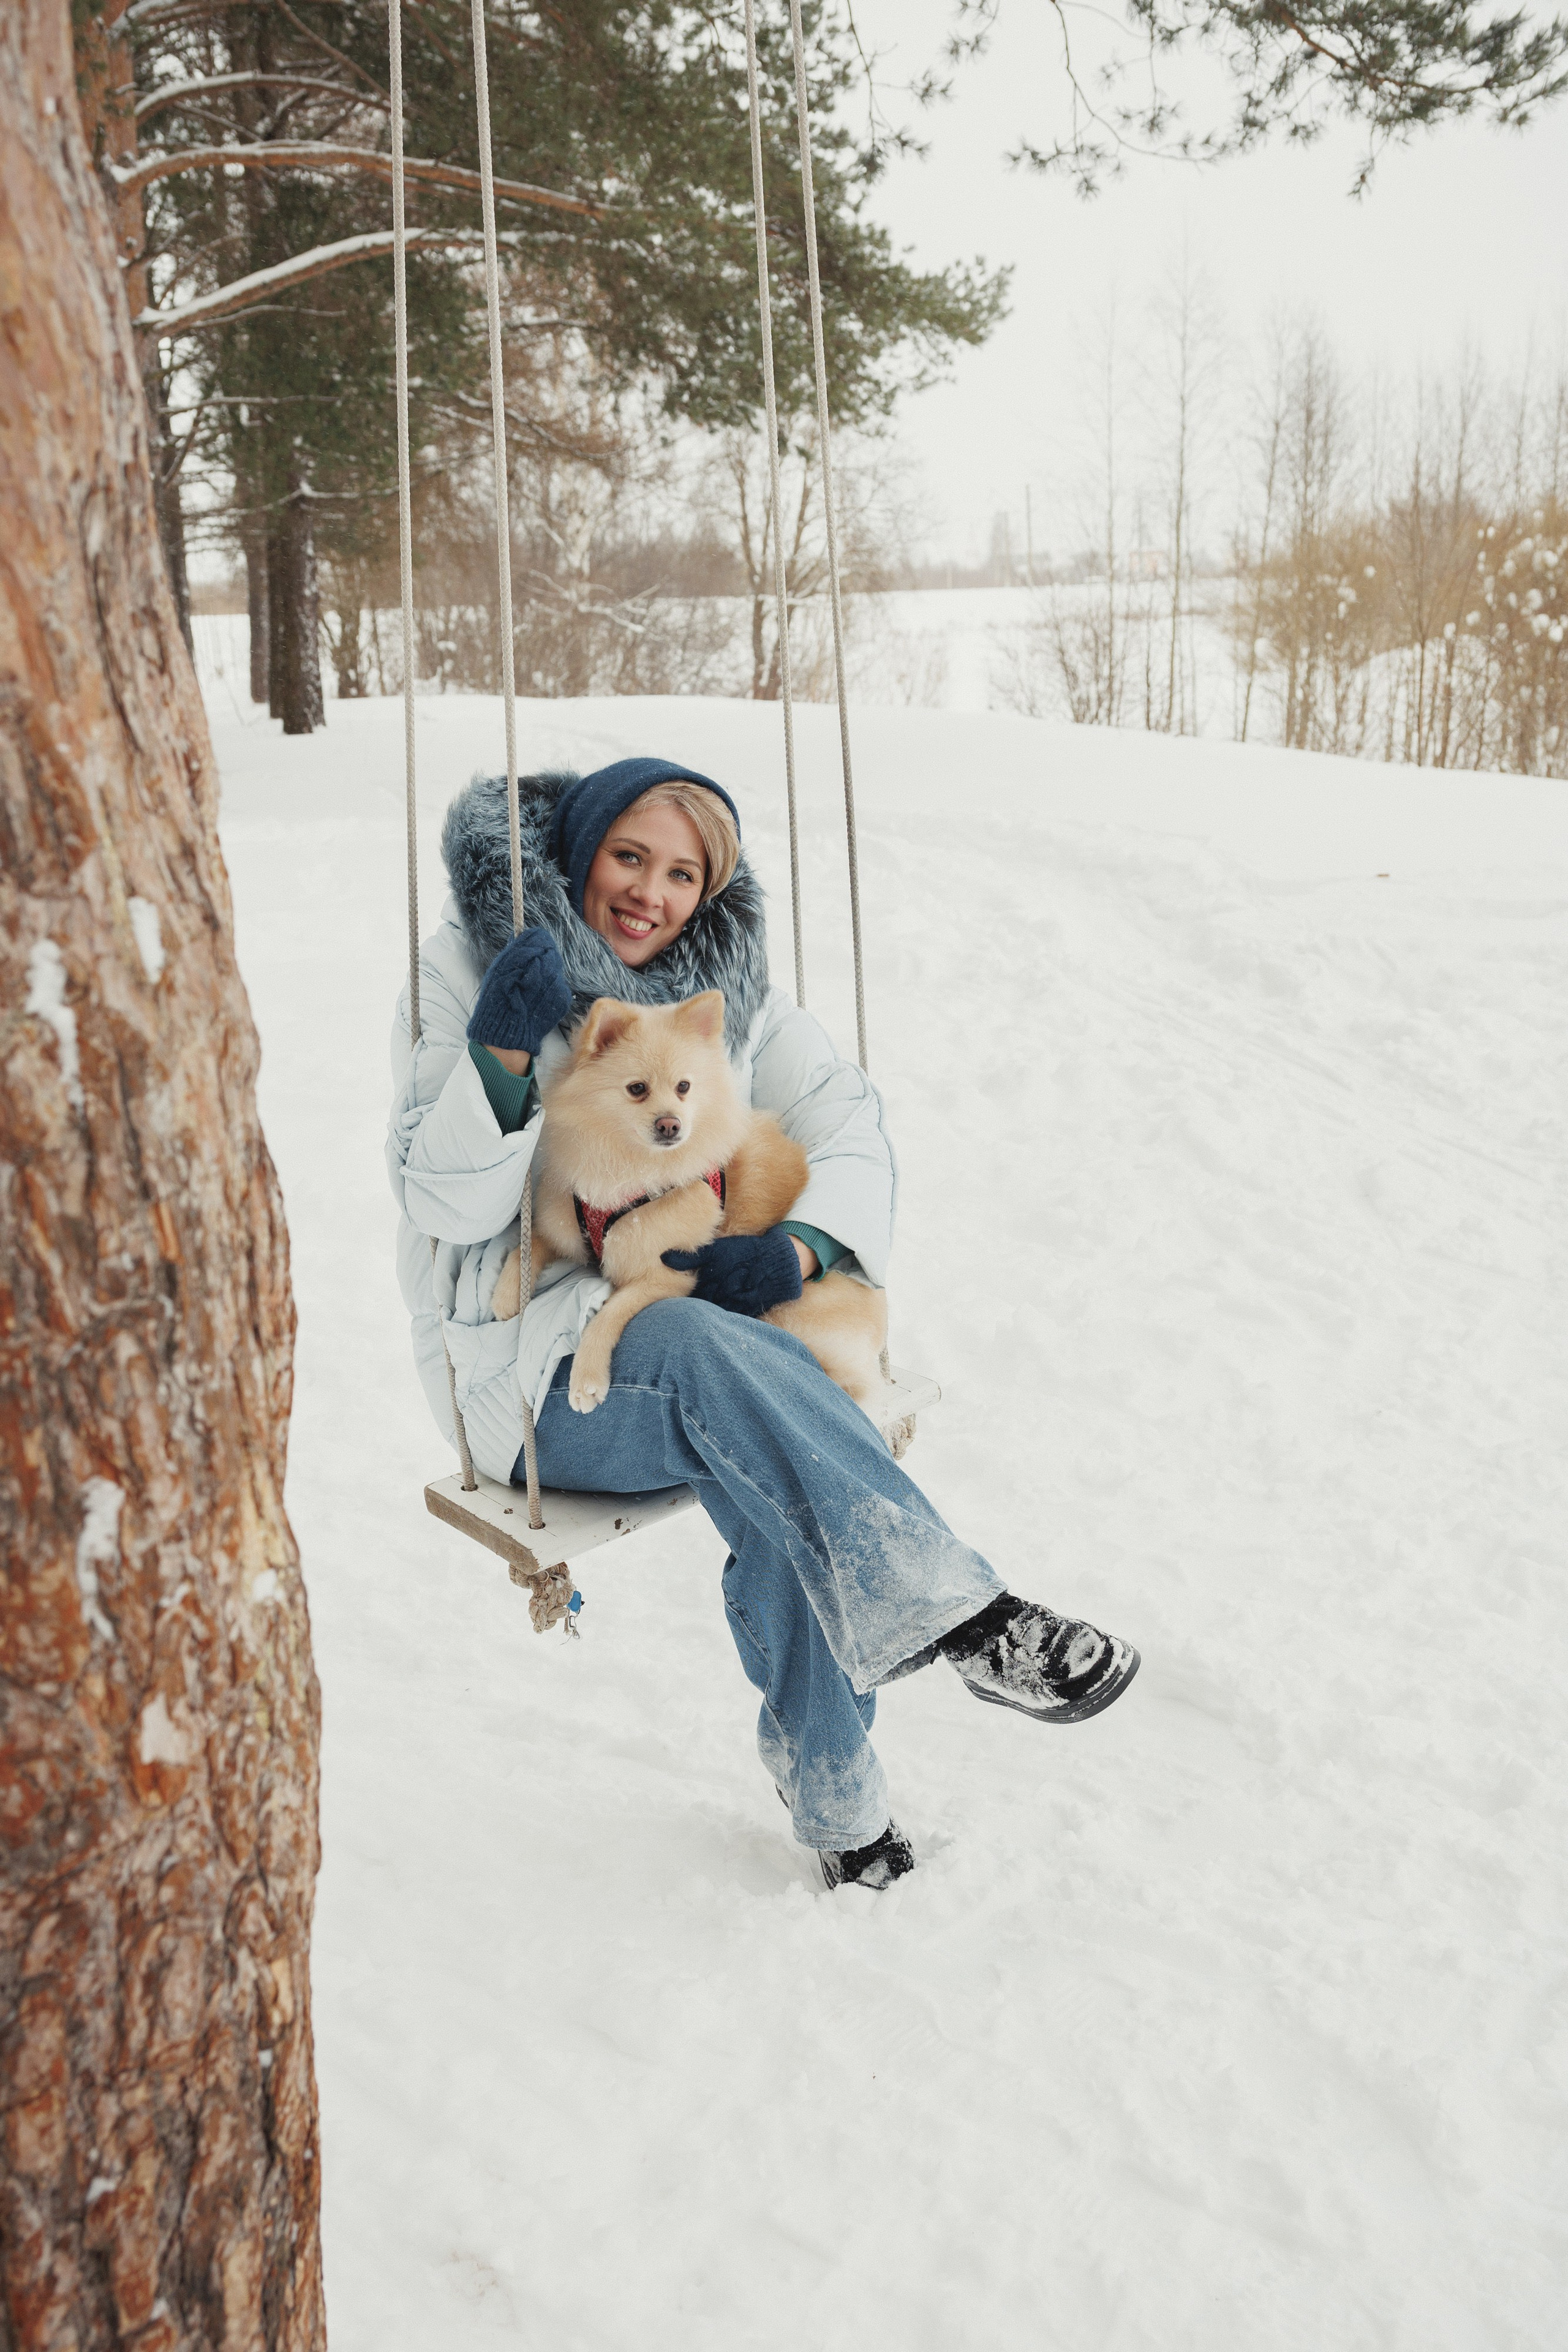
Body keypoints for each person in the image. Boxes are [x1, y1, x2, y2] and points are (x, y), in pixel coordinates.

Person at [388, 755, 1139, 1890]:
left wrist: (799, 1246)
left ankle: (847, 1816)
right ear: (579, 852)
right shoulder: (466, 969)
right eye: (628, 858)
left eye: (683, 874)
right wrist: (500, 1051)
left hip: (704, 1357)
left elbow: (853, 1126)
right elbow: (440, 1202)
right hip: (532, 1384)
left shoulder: (721, 996)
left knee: (772, 1444)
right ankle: (963, 1616)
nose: (650, 894)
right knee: (716, 1367)